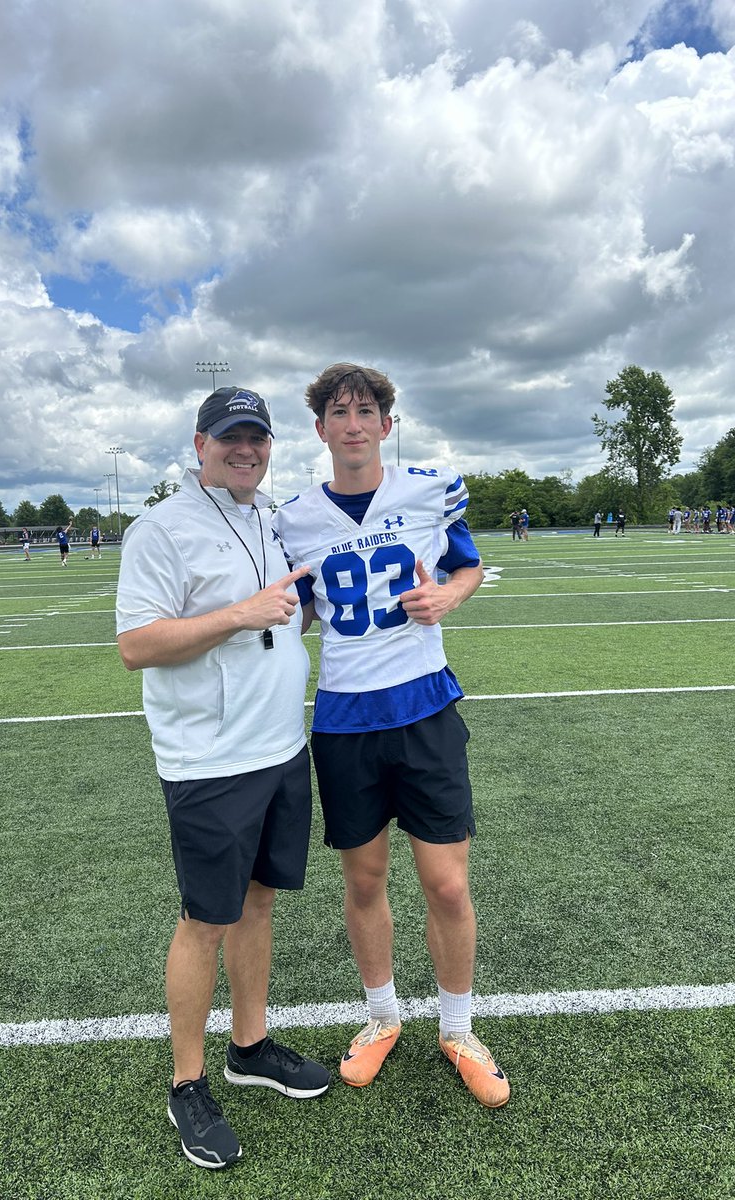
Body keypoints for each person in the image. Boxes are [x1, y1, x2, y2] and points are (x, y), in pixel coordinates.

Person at [273, 363, 509, 1110]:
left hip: (425, 708)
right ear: (321, 430)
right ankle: (381, 1017)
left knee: (445, 881)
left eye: (365, 410)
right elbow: (300, 610)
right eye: (338, 412)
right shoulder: (295, 519)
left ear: (385, 422)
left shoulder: (428, 489)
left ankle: (460, 1028)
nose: (352, 423)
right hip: (344, 717)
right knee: (365, 880)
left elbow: (468, 567)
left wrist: (448, 594)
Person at [116, 385, 330, 1170]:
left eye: (258, 438)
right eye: (232, 437)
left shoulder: (271, 518)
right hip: (209, 760)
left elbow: (288, 611)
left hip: (279, 745)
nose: (247, 450)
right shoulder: (161, 528)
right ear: (200, 443)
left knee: (258, 901)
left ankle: (249, 1044)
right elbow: (137, 644)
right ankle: (187, 1083)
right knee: (205, 917)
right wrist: (239, 614)